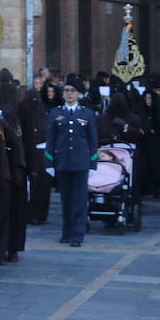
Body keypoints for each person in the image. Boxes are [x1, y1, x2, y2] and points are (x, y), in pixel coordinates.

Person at [47, 83, 97, 247]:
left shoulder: (87, 113)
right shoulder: (56, 113)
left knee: (79, 201)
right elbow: (51, 140)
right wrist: (49, 162)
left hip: (81, 163)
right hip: (62, 162)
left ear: (79, 94)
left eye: (72, 91)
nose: (69, 93)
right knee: (65, 200)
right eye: (66, 91)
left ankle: (77, 235)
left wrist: (93, 163)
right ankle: (66, 233)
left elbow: (92, 140)